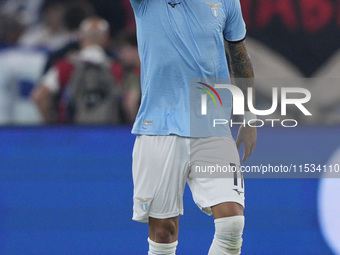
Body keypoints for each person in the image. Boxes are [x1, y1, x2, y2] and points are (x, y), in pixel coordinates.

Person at [130, 1, 257, 254]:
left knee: (232, 223)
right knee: (163, 231)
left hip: (212, 124)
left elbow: (239, 55)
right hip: (158, 126)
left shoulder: (227, 1)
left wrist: (249, 116)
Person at [32, 17, 124, 124]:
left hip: (72, 133)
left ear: (81, 37)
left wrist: (52, 126)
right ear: (106, 39)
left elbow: (39, 96)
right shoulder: (116, 68)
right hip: (109, 132)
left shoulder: (66, 66)